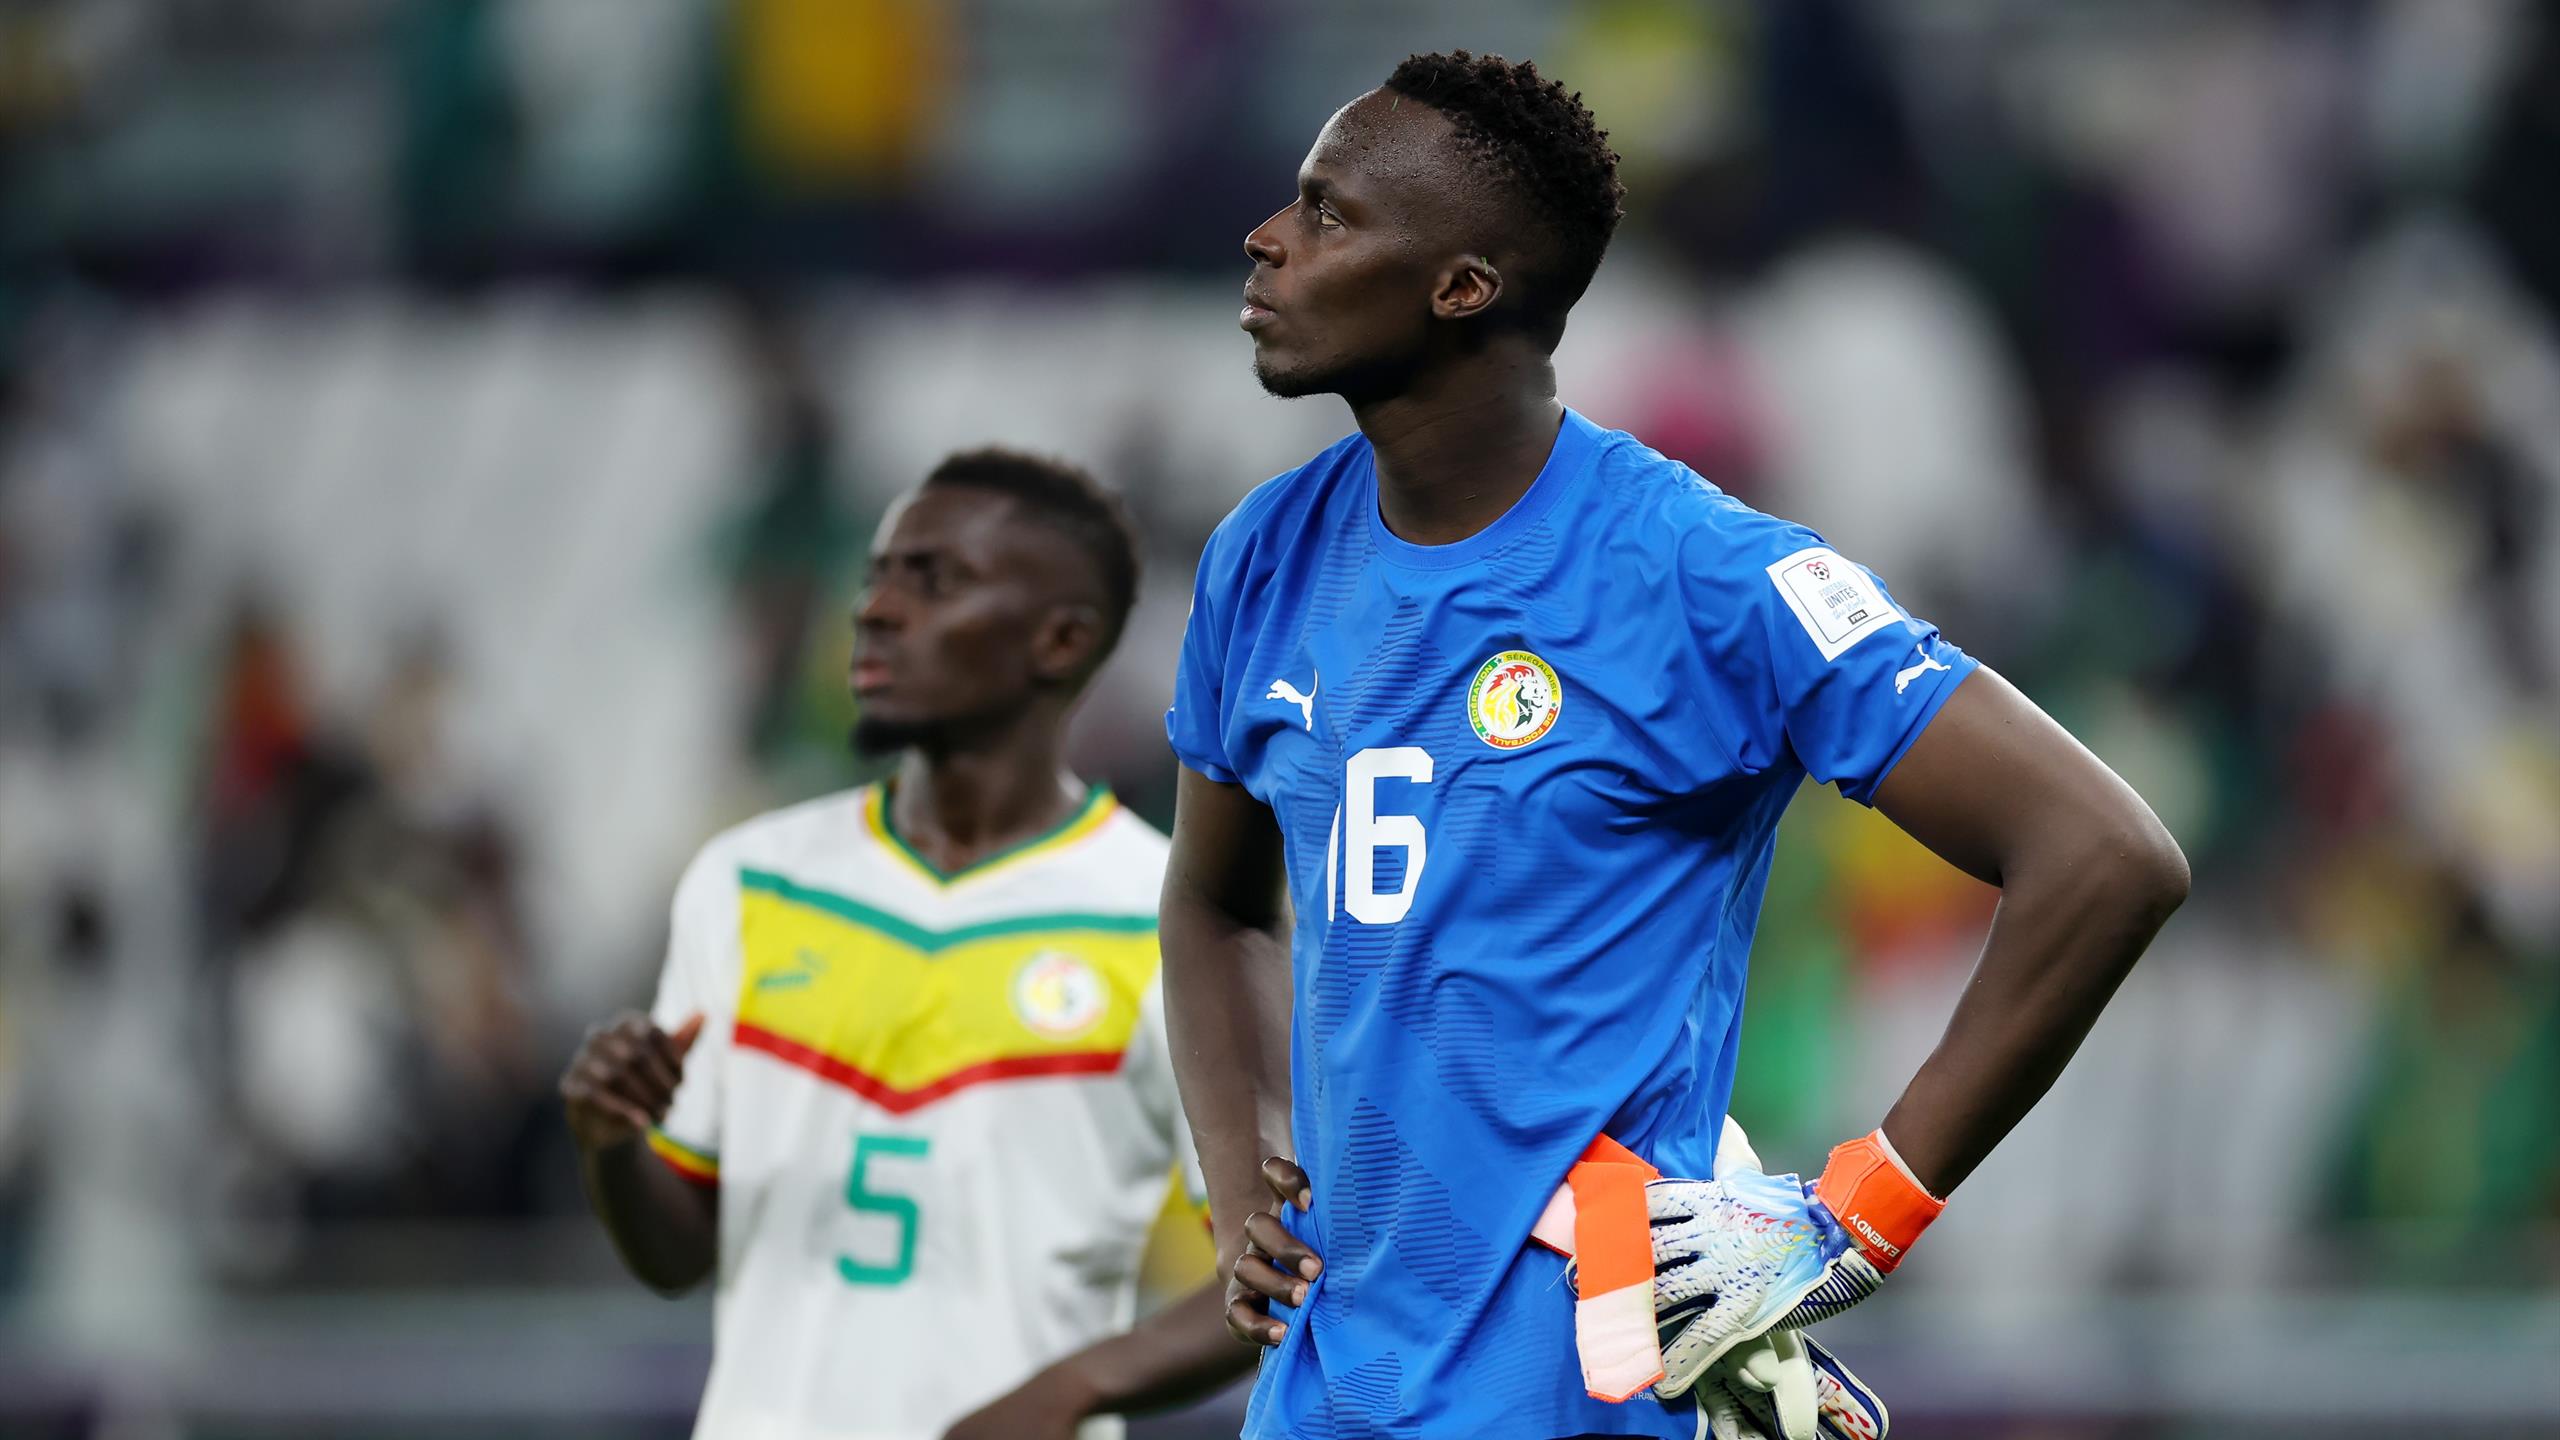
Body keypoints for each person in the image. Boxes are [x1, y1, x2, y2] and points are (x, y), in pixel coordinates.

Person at [1160, 50, 2190, 1440]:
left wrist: (1858, 1219)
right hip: (1327, 1391)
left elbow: (2105, 853)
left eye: (1330, 214)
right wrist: (1245, 1182)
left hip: (1587, 1389)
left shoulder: (1701, 575)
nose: (1268, 239)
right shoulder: (1262, 559)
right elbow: (1217, 903)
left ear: (1463, 286)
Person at [563, 450, 1250, 1440]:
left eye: (933, 581)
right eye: (877, 575)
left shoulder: (1163, 915)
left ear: (1060, 639)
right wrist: (612, 1144)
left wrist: (1071, 1390)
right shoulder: (747, 882)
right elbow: (674, 1259)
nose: (874, 609)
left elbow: (1269, 1265)